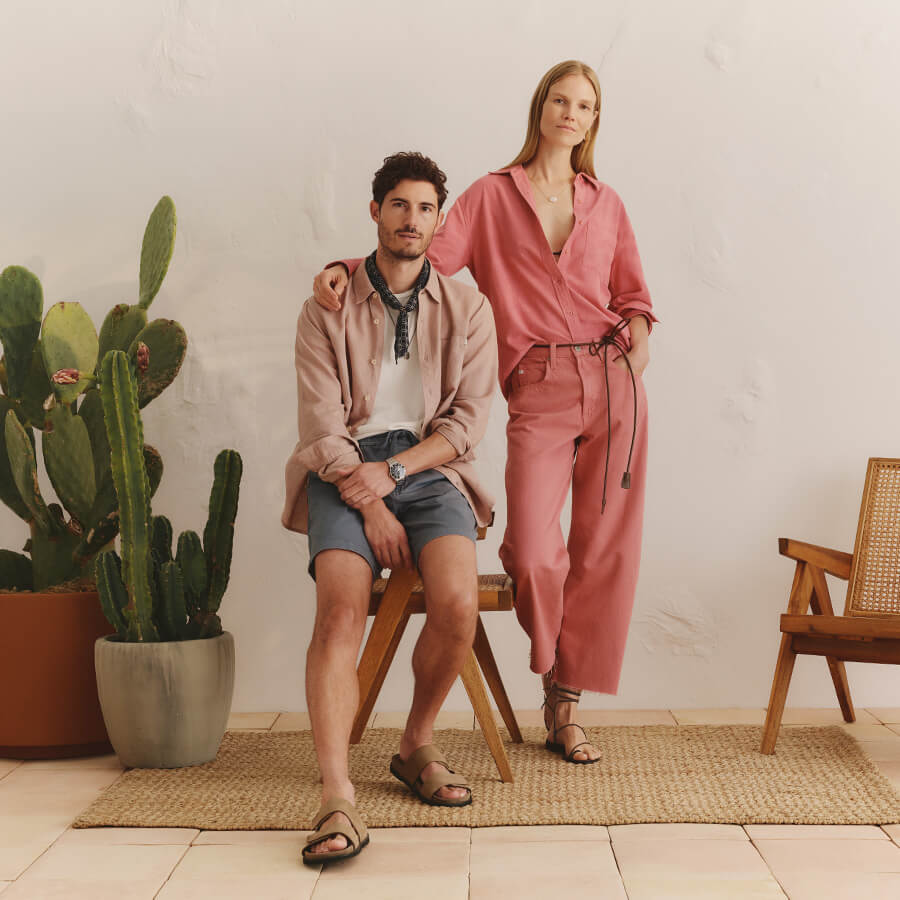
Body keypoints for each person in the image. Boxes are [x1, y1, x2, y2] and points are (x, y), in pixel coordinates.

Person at [312, 60, 657, 766]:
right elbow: (421, 253)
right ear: (540, 108)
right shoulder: (493, 196)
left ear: (595, 121)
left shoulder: (607, 202)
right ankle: (551, 658)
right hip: (538, 380)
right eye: (560, 99)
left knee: (604, 549)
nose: (570, 113)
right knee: (535, 550)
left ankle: (564, 703)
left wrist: (640, 335)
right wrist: (348, 263)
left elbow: (634, 294)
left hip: (615, 380)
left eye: (585, 105)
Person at [282, 151, 497, 863]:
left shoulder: (468, 308)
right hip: (341, 465)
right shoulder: (327, 304)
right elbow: (320, 425)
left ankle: (414, 744)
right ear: (375, 211)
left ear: (440, 218)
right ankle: (337, 796)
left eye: (426, 207)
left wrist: (397, 473)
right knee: (341, 610)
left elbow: (465, 424)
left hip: (429, 467)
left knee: (459, 603)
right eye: (399, 204)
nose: (412, 219)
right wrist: (368, 498)